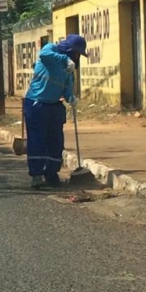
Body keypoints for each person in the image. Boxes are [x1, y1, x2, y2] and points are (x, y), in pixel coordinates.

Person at [23, 34, 88, 189]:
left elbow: (66, 87)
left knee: (56, 141)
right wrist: (64, 59)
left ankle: (52, 174)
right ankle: (36, 175)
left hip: (54, 106)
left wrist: (70, 98)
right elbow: (44, 54)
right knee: (37, 140)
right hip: (36, 103)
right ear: (70, 50)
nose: (77, 57)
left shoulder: (68, 69)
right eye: (77, 53)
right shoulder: (51, 49)